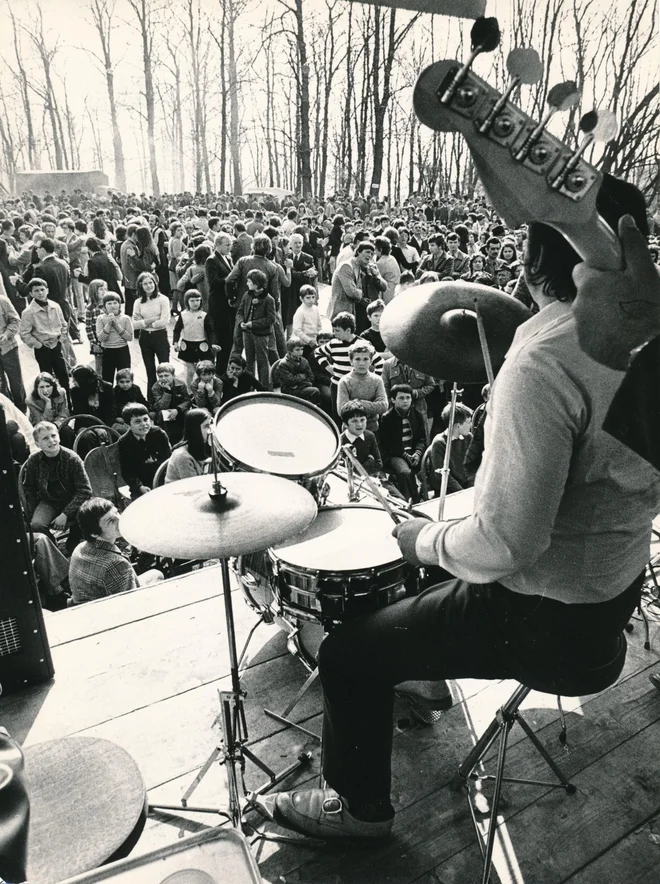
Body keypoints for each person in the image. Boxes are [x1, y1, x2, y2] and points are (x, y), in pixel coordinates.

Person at [272, 179, 660, 842]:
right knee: (428, 576)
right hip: (614, 595)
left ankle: (358, 811)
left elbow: (509, 545)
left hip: (543, 621)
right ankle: (422, 676)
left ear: (535, 259)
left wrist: (422, 539)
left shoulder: (545, 358)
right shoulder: (648, 330)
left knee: (346, 654)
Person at [69, 498, 162, 604]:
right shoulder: (116, 564)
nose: (120, 519)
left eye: (117, 512)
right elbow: (131, 603)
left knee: (155, 574)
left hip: (86, 605)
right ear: (94, 533)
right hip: (108, 612)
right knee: (158, 575)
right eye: (111, 521)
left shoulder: (80, 548)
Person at [21, 421, 92, 551]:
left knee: (84, 527)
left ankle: (75, 534)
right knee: (36, 525)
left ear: (59, 437)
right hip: (50, 501)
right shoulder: (34, 460)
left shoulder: (72, 458)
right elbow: (28, 488)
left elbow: (85, 490)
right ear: (37, 443)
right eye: (45, 438)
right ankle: (52, 550)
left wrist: (65, 514)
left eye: (54, 436)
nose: (51, 441)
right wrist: (32, 512)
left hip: (73, 500)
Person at [19, 277, 70, 392]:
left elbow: (64, 324)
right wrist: (38, 345)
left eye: (42, 289)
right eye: (36, 291)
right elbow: (24, 333)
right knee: (47, 378)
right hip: (42, 348)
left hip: (56, 345)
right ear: (31, 293)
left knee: (63, 375)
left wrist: (61, 339)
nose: (40, 293)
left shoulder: (55, 306)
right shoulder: (28, 312)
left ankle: (68, 403)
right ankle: (50, 402)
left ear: (47, 290)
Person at [378, 383, 426, 503]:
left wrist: (418, 453)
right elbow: (388, 445)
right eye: (401, 398)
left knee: (427, 466)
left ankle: (424, 496)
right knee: (404, 472)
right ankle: (408, 501)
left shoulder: (417, 415)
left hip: (413, 452)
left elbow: (421, 439)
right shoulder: (387, 418)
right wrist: (405, 455)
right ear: (393, 400)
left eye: (408, 397)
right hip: (395, 454)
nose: (405, 401)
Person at [117, 402, 172, 498]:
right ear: (128, 425)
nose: (144, 424)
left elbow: (169, 460)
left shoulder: (159, 434)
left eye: (146, 419)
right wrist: (139, 487)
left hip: (163, 479)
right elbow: (127, 472)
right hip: (141, 484)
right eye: (137, 422)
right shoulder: (124, 442)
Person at [235, 268, 276, 389]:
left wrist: (253, 324)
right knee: (249, 360)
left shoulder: (269, 299)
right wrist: (241, 322)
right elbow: (240, 311)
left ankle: (264, 387)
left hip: (261, 335)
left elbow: (270, 319)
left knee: (263, 362)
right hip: (246, 333)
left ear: (256, 283)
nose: (247, 283)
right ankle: (249, 386)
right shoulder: (247, 295)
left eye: (249, 281)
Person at [336, 340, 387, 434]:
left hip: (372, 428)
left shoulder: (377, 380)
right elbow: (342, 410)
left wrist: (358, 403)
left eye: (365, 359)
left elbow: (383, 406)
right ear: (351, 361)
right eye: (357, 359)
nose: (362, 363)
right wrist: (372, 406)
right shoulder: (344, 381)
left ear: (371, 361)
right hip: (350, 430)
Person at [132, 271, 170, 393]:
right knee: (150, 370)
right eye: (145, 284)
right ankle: (152, 399)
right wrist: (153, 319)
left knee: (165, 369)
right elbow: (134, 324)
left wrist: (144, 322)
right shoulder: (138, 302)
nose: (149, 286)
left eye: (151, 282)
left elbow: (164, 321)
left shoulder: (163, 299)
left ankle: (167, 395)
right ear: (140, 286)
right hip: (145, 338)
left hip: (160, 337)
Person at [205, 232, 235, 375]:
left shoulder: (227, 258)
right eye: (227, 244)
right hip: (219, 304)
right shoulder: (212, 260)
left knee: (228, 339)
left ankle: (223, 370)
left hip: (228, 304)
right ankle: (219, 372)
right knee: (223, 339)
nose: (230, 247)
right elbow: (213, 282)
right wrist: (231, 277)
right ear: (217, 245)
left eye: (231, 244)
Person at [428, 402, 474, 495]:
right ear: (458, 425)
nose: (471, 425)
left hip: (467, 487)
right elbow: (442, 477)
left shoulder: (468, 437)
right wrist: (462, 493)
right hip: (448, 491)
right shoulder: (440, 443)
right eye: (468, 422)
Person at [172, 289, 215, 390]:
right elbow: (177, 330)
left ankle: (205, 390)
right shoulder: (183, 315)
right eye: (192, 301)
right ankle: (190, 392)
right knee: (190, 370)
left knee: (204, 370)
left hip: (202, 344)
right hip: (187, 344)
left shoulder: (204, 315)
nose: (195, 303)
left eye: (197, 300)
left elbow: (210, 331)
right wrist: (175, 343)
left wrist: (212, 343)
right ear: (187, 301)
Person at [164, 408, 212, 483]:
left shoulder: (205, 445)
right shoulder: (182, 457)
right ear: (195, 430)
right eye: (206, 426)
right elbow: (193, 486)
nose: (211, 430)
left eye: (211, 425)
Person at [148, 362, 191, 444]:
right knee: (161, 414)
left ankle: (187, 438)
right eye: (161, 376)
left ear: (173, 375)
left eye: (166, 375)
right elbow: (162, 406)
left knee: (188, 414)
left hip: (178, 409)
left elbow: (187, 401)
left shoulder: (181, 384)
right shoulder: (156, 388)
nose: (164, 378)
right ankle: (166, 440)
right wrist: (167, 391)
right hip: (165, 411)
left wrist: (177, 409)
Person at [96, 292, 133, 384]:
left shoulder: (125, 319)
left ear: (119, 305)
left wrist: (116, 325)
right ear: (104, 306)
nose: (113, 306)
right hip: (107, 351)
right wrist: (108, 324)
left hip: (122, 350)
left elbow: (129, 337)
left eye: (115, 303)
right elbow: (100, 338)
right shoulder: (100, 319)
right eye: (109, 303)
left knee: (124, 377)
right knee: (107, 379)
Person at [271, 337, 320, 404]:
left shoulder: (304, 361)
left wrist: (303, 383)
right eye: (297, 350)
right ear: (290, 352)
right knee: (315, 391)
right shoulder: (283, 364)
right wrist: (302, 376)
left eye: (302, 349)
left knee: (315, 391)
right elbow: (290, 381)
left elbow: (311, 376)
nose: (300, 352)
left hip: (302, 386)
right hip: (289, 390)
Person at [339, 401, 382, 476]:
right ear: (345, 424)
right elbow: (342, 470)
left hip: (370, 477)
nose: (359, 424)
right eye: (354, 421)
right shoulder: (340, 441)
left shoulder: (370, 436)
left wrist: (357, 470)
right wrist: (370, 462)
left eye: (362, 420)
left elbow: (379, 464)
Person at [0, 292, 26, 411]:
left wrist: (6, 335)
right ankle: (7, 412)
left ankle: (21, 409)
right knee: (1, 386)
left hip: (8, 348)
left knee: (16, 382)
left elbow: (15, 320)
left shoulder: (3, 301)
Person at [291, 285, 322, 359]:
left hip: (315, 341)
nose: (311, 300)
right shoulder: (300, 312)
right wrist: (309, 341)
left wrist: (318, 337)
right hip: (304, 343)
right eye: (308, 298)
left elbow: (319, 325)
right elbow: (297, 330)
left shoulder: (315, 309)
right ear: (301, 298)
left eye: (313, 297)